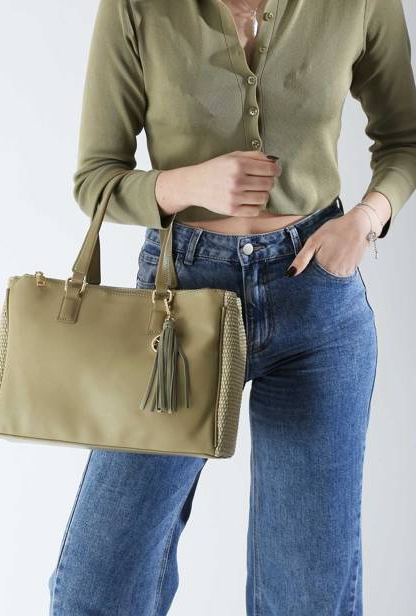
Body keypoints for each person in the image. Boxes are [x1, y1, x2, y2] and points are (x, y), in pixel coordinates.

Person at [48, 0, 416, 614]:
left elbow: (404, 139)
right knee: (97, 586)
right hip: (178, 304)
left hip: (316, 298)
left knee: (306, 598)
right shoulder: (137, 7)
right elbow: (95, 179)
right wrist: (187, 185)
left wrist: (366, 219)